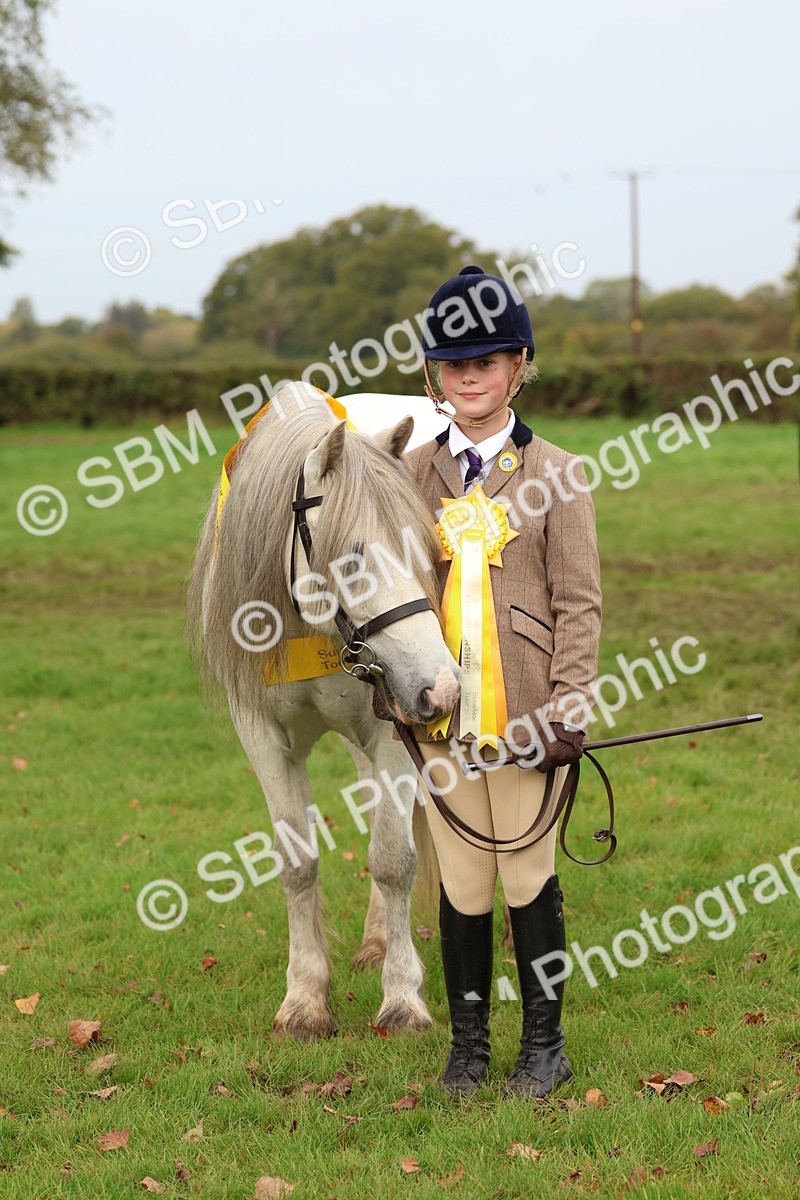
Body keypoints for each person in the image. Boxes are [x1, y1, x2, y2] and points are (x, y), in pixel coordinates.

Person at [403, 265, 602, 1098]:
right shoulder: (411, 473)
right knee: (461, 880)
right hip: (440, 718)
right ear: (434, 375)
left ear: (519, 366)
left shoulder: (558, 471)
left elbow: (580, 603)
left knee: (524, 876)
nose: (468, 377)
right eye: (453, 365)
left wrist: (568, 709)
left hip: (526, 716)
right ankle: (469, 1048)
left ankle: (545, 1046)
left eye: (485, 361)